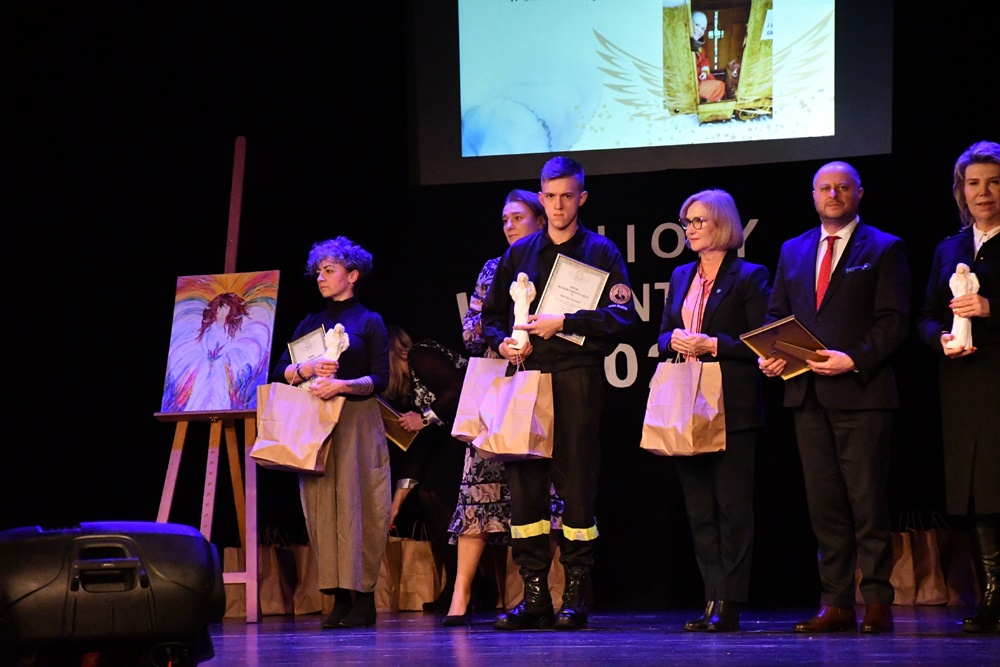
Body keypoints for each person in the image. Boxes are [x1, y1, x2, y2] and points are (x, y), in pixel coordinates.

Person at [481, 156, 637, 631]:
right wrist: (502, 342)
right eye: (550, 197)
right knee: (524, 487)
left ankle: (573, 595)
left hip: (575, 378)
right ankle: (534, 596)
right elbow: (492, 316)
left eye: (567, 196)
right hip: (526, 378)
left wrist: (565, 321)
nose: (558, 205)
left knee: (577, 486)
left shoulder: (601, 251)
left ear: (581, 198)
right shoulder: (520, 253)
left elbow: (624, 317)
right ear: (541, 197)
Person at [759, 161, 911, 634]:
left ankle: (878, 601)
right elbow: (777, 315)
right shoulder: (793, 249)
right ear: (813, 195)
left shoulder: (884, 247)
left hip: (863, 393)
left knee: (867, 502)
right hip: (807, 397)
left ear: (859, 193)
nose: (833, 194)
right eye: (825, 188)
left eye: (843, 187)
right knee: (824, 507)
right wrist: (773, 356)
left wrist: (855, 358)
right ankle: (837, 602)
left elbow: (894, 320)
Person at [447, 189, 564, 626]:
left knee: (547, 497)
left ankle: (548, 593)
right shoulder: (493, 268)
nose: (509, 226)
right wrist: (501, 340)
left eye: (518, 218)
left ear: (540, 221)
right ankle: (460, 596)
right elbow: (470, 330)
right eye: (505, 220)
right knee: (477, 492)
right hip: (498, 391)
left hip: (542, 385)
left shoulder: (556, 265)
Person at [657, 189, 770, 633]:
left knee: (732, 508)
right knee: (699, 509)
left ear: (722, 223)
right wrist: (672, 340)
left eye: (698, 221)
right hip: (686, 402)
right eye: (687, 222)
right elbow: (663, 333)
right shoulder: (680, 275)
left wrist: (714, 345)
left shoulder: (750, 276)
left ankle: (730, 601)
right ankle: (710, 595)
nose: (690, 229)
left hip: (731, 405)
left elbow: (762, 340)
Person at [270, 236, 391, 629]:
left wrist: (343, 385)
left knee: (362, 505)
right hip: (317, 424)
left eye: (329, 270)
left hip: (356, 420)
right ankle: (338, 596)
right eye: (318, 272)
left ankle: (364, 597)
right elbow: (280, 371)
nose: (321, 278)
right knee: (322, 508)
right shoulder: (309, 323)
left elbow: (381, 379)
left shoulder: (369, 321)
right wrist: (306, 369)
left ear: (352, 276)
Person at [916, 140, 1000, 634]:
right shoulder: (949, 248)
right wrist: (940, 338)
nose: (983, 192)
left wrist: (991, 309)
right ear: (961, 191)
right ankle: (993, 597)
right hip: (964, 385)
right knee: (981, 497)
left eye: (994, 182)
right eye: (974, 183)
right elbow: (926, 315)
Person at [381, 325, 468, 615]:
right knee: (429, 495)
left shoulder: (419, 355)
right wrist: (396, 503)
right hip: (453, 437)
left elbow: (458, 385)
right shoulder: (410, 392)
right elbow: (417, 450)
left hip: (475, 430)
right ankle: (459, 584)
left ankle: (464, 586)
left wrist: (425, 418)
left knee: (436, 494)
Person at [690, 10, 725, 103]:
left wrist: (704, 72)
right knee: (720, 86)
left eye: (703, 28)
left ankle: (707, 99)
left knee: (711, 78)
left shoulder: (699, 48)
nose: (699, 30)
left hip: (700, 79)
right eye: (697, 25)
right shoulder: (682, 47)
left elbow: (704, 60)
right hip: (692, 85)